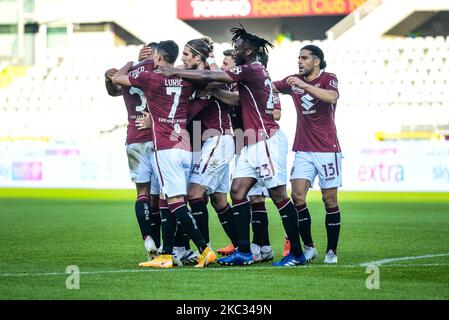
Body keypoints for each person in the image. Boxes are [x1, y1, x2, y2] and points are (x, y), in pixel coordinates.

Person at [157, 25, 306, 267]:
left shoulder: (251, 70)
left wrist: (172, 71)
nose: (234, 51)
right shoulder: (255, 72)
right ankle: (245, 251)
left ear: (249, 50)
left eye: (237, 48)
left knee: (278, 194)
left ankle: (297, 253)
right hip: (249, 141)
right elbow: (233, 98)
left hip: (265, 138)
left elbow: (211, 76)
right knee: (237, 192)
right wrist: (213, 90)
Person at [112, 40, 217, 268]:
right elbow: (208, 78)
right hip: (185, 147)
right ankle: (167, 255)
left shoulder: (151, 78)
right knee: (165, 201)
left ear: (158, 58)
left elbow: (117, 79)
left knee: (175, 202)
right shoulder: (186, 79)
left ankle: (204, 248)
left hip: (166, 149)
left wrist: (131, 62)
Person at [272, 44, 341, 264]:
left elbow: (331, 97)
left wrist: (303, 85)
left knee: (329, 199)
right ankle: (309, 247)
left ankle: (332, 251)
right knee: (297, 195)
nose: (299, 61)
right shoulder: (293, 80)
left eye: (304, 58)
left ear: (316, 61)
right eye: (298, 58)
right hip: (303, 149)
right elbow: (269, 88)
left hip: (327, 149)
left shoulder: (328, 78)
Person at [215, 49, 279, 263]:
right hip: (244, 144)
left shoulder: (251, 82)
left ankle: (271, 246)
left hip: (259, 142)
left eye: (227, 63)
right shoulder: (236, 83)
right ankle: (260, 246)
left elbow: (275, 111)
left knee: (261, 196)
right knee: (250, 196)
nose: (224, 67)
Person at [104, 42, 161, 261]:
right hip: (158, 138)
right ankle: (168, 247)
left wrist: (127, 64)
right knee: (163, 197)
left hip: (134, 139)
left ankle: (148, 238)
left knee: (142, 194)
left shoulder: (128, 73)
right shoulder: (159, 73)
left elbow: (112, 90)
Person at [181, 39, 235, 251]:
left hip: (218, 140)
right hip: (208, 143)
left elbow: (219, 82)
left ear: (198, 58)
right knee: (219, 200)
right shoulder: (196, 80)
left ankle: (206, 250)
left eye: (186, 54)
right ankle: (243, 248)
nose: (182, 59)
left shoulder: (213, 78)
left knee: (194, 193)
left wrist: (210, 59)